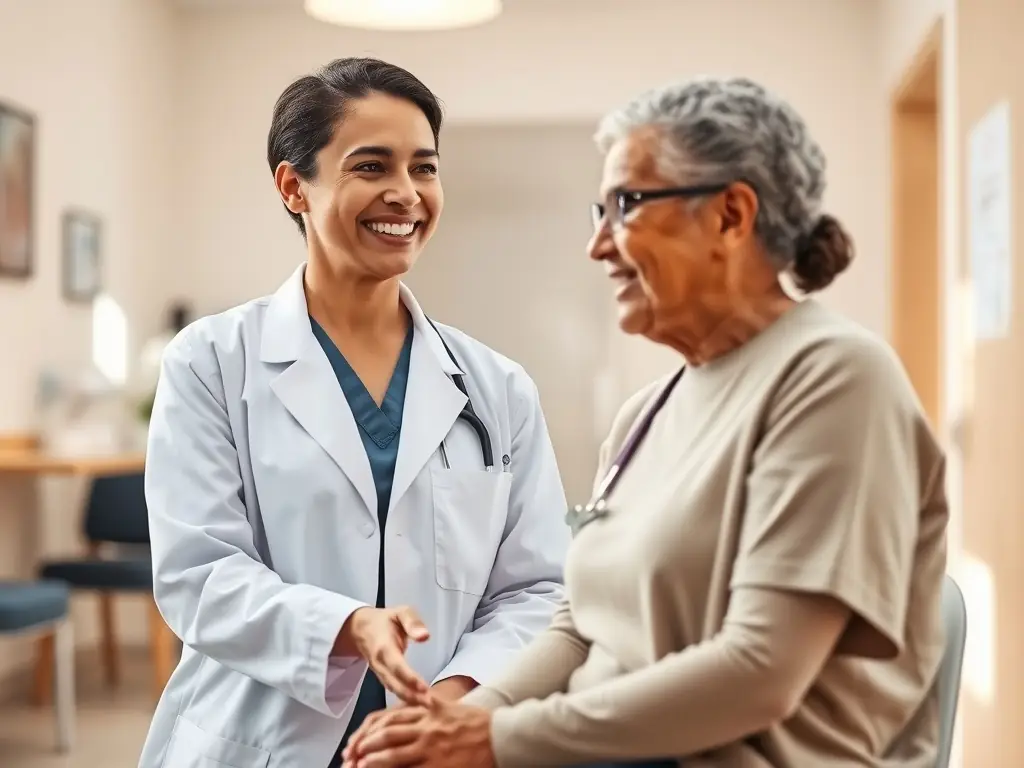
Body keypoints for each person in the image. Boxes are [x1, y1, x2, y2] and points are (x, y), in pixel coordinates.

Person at [342, 77, 949, 768]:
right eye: (596, 212)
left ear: (731, 215)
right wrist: (452, 727)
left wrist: (493, 741)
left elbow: (761, 672)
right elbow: (576, 629)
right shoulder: (646, 414)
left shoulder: (836, 378)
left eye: (626, 206)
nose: (598, 246)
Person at [137, 58, 570, 768]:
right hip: (254, 743)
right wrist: (346, 627)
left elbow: (536, 587)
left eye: (424, 169)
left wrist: (454, 699)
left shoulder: (499, 388)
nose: (405, 194)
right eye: (372, 167)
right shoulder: (211, 361)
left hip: (432, 742)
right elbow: (199, 575)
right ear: (292, 186)